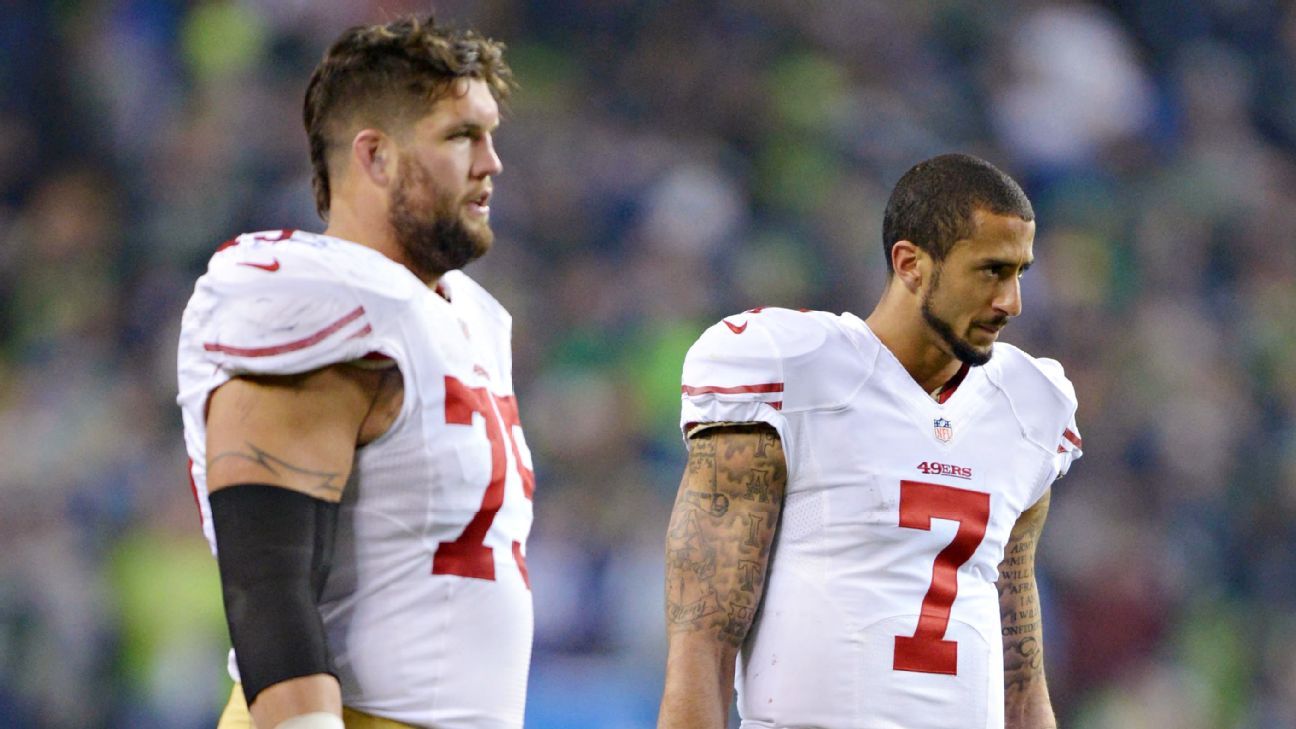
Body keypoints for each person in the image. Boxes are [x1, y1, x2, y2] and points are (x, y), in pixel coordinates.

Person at [176, 15, 534, 729]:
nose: (491, 162)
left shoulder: (468, 316)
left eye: (490, 135)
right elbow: (267, 585)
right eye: (461, 136)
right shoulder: (308, 297)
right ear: (375, 156)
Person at [658, 153, 1081, 729]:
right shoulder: (792, 369)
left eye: (1019, 273)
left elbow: (1021, 675)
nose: (1011, 302)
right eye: (990, 271)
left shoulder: (1030, 405)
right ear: (910, 264)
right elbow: (702, 640)